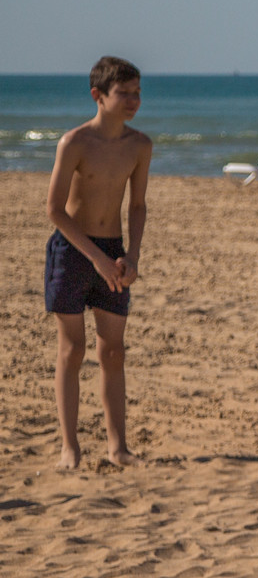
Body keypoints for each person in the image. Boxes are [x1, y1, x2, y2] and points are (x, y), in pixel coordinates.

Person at [46, 56, 151, 471]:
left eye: (137, 93)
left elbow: (138, 205)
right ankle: (69, 446)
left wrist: (131, 257)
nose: (133, 101)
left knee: (113, 352)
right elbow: (54, 210)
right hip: (73, 251)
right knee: (72, 350)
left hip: (115, 252)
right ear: (98, 96)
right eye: (124, 93)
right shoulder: (74, 142)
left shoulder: (140, 145)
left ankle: (118, 447)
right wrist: (98, 260)